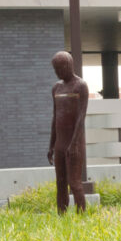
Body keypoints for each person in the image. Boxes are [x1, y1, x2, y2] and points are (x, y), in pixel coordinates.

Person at [47, 51, 89, 214]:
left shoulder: (80, 86)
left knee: (75, 183)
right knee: (60, 182)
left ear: (67, 65)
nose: (57, 72)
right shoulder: (56, 88)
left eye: (59, 68)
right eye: (55, 69)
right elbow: (55, 117)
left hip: (74, 144)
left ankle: (81, 217)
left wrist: (74, 144)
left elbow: (81, 117)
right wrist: (51, 145)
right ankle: (61, 216)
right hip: (60, 143)